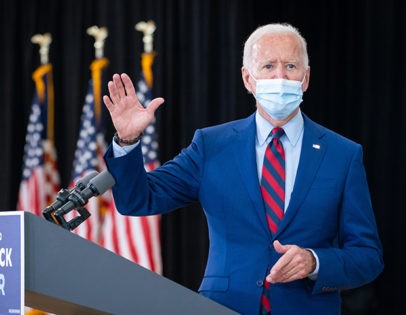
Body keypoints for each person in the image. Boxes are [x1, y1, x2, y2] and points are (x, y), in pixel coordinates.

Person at [103, 23, 383, 315]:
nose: (280, 76)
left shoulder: (342, 154)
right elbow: (139, 199)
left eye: (290, 66)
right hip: (225, 307)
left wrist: (315, 261)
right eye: (268, 66)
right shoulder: (211, 145)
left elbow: (367, 256)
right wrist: (128, 140)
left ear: (306, 77)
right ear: (248, 79)